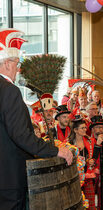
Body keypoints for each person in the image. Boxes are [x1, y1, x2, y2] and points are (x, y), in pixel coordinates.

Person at [0, 28, 73, 210]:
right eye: (17, 63)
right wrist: (54, 150)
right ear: (7, 63)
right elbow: (20, 135)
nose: (19, 69)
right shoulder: (9, 91)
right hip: (8, 178)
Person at [69, 116, 96, 210]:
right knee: (76, 204)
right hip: (74, 177)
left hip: (88, 175)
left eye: (85, 127)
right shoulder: (69, 143)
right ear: (75, 130)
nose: (85, 129)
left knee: (91, 203)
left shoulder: (90, 141)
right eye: (82, 128)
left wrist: (92, 161)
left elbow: (95, 157)